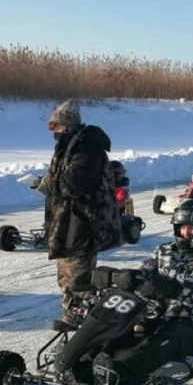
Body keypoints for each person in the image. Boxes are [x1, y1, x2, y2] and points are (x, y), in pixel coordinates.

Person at [91, 198, 193, 385]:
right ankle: (86, 359)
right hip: (155, 311)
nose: (186, 233)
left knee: (166, 338)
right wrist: (126, 277)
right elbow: (147, 273)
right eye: (181, 228)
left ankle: (122, 373)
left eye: (192, 228)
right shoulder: (165, 250)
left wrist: (173, 287)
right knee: (121, 323)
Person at [37, 99, 123, 330]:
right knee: (66, 275)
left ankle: (87, 319)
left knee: (79, 276)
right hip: (68, 220)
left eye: (56, 126)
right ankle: (73, 314)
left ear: (67, 125)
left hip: (83, 221)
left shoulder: (86, 147)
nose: (53, 131)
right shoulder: (70, 144)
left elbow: (77, 183)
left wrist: (50, 183)